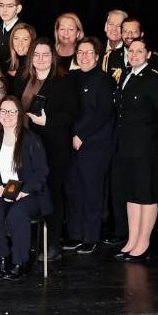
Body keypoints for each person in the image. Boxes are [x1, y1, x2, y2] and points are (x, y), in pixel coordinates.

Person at [13, 38, 79, 262]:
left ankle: (52, 244)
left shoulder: (63, 81)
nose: (41, 60)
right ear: (31, 58)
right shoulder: (22, 80)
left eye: (46, 55)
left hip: (54, 146)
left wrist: (47, 122)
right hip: (25, 146)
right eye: (37, 55)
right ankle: (28, 241)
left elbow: (71, 113)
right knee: (26, 190)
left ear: (53, 58)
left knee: (51, 193)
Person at [0, 96, 52, 281]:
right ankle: (1, 257)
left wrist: (23, 192)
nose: (7, 115)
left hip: (29, 192)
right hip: (2, 189)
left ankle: (20, 261)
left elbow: (42, 172)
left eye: (12, 111)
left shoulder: (31, 139)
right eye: (3, 110)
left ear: (19, 114)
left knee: (17, 214)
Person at [111, 38, 158, 263]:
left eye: (139, 51)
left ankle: (143, 243)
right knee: (131, 193)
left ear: (148, 54)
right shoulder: (127, 75)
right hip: (126, 145)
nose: (134, 55)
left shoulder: (155, 80)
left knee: (146, 194)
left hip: (146, 147)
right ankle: (132, 240)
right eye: (131, 51)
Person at [62, 37, 114, 255]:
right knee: (73, 189)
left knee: (92, 190)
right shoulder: (70, 77)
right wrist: (71, 134)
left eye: (88, 52)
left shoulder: (104, 80)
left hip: (94, 144)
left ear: (97, 56)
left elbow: (102, 113)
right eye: (80, 52)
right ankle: (75, 235)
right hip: (71, 141)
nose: (83, 56)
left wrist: (80, 135)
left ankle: (90, 237)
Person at [100, 9, 128, 76]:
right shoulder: (97, 49)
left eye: (119, 26)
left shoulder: (129, 53)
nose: (114, 29)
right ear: (105, 26)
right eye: (111, 24)